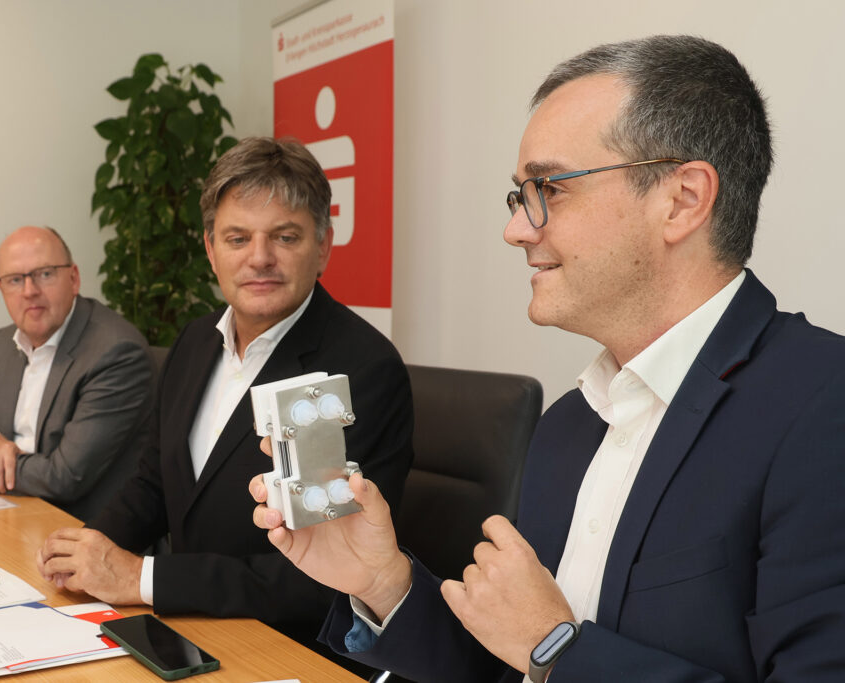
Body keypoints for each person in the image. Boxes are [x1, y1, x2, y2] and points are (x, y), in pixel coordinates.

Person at [251, 35, 845, 682]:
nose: (517, 228)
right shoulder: (569, 424)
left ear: (682, 199)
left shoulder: (821, 408)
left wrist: (557, 645)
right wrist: (382, 580)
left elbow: (540, 650)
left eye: (549, 188)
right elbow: (505, 665)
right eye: (520, 195)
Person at [35, 137, 414, 657]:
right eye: (238, 238)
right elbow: (153, 483)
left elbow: (314, 579)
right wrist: (86, 551)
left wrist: (141, 578)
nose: (260, 259)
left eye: (285, 236)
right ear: (211, 249)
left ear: (323, 245)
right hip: (188, 630)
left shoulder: (359, 370)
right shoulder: (194, 342)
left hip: (282, 648)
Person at [0, 226, 153, 522]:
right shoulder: (3, 343)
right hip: (8, 512)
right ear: (2, 289)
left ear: (73, 278)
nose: (29, 291)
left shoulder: (115, 351)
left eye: (45, 273)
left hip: (79, 529)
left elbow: (64, 477)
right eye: (15, 280)